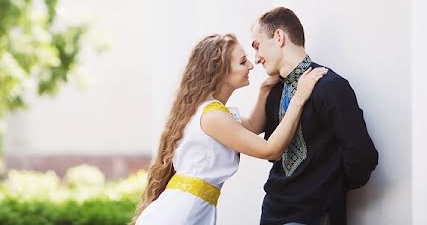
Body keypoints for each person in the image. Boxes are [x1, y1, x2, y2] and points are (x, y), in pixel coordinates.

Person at [133, 33, 328, 225]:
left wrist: (265, 90)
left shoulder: (211, 111)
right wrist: (298, 99)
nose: (251, 65)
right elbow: (271, 149)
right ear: (222, 72)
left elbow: (252, 126)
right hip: (182, 215)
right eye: (243, 62)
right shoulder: (213, 117)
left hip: (190, 210)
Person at [248, 7, 378, 225]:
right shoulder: (275, 92)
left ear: (279, 37)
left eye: (257, 46)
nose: (256, 58)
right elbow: (274, 153)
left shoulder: (330, 86)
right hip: (272, 212)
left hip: (315, 214)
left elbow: (362, 155)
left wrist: (328, 188)